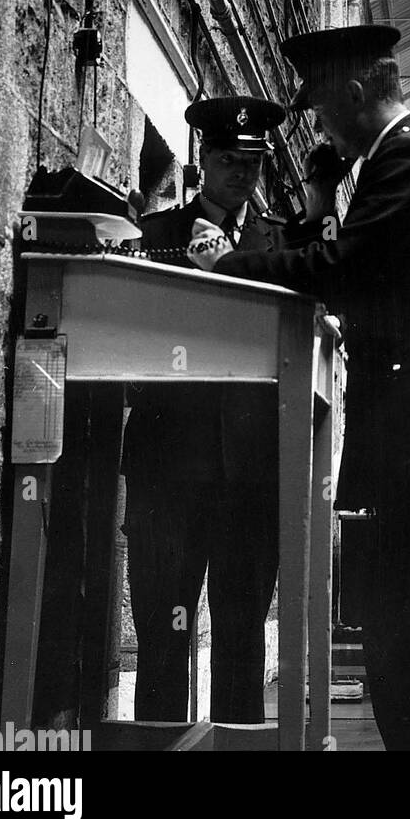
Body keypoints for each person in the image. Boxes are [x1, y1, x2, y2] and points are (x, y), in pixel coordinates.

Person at [188, 25, 410, 751]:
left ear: (352, 92)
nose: (315, 121)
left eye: (318, 105)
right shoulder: (403, 158)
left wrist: (229, 265)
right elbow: (353, 262)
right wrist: (319, 196)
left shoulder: (408, 157)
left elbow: (345, 269)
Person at [121, 95, 286, 724]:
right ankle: (158, 742)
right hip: (168, 469)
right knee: (163, 632)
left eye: (252, 162)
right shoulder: (156, 236)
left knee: (243, 632)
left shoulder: (281, 242)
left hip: (252, 470)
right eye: (226, 159)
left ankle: (238, 743)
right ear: (204, 160)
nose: (240, 172)